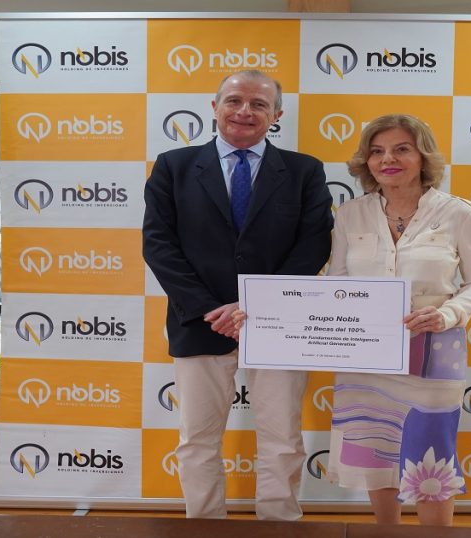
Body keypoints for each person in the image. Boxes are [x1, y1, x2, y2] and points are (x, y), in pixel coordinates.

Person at [142, 69, 333, 520]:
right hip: (200, 322)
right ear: (215, 107)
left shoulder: (304, 171)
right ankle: (204, 527)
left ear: (276, 115)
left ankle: (279, 526)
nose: (245, 111)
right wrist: (211, 309)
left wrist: (256, 305)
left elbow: (313, 245)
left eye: (259, 104)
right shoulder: (174, 166)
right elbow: (159, 244)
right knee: (197, 439)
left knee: (282, 439)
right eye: (234, 101)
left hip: (279, 323)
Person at [325, 114, 471, 525]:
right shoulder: (349, 214)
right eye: (377, 151)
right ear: (367, 161)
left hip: (435, 351)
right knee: (376, 447)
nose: (388, 159)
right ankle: (387, 533)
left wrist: (448, 313)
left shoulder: (457, 213)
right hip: (366, 352)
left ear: (423, 157)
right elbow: (337, 283)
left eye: (401, 149)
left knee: (431, 454)